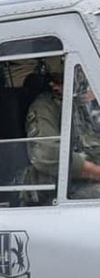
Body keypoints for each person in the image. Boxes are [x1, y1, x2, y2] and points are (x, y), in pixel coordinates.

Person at [24, 68, 100, 202]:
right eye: (52, 79)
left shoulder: (85, 105)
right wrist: (95, 172)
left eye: (58, 79)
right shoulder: (44, 107)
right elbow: (46, 153)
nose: (52, 84)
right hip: (63, 187)